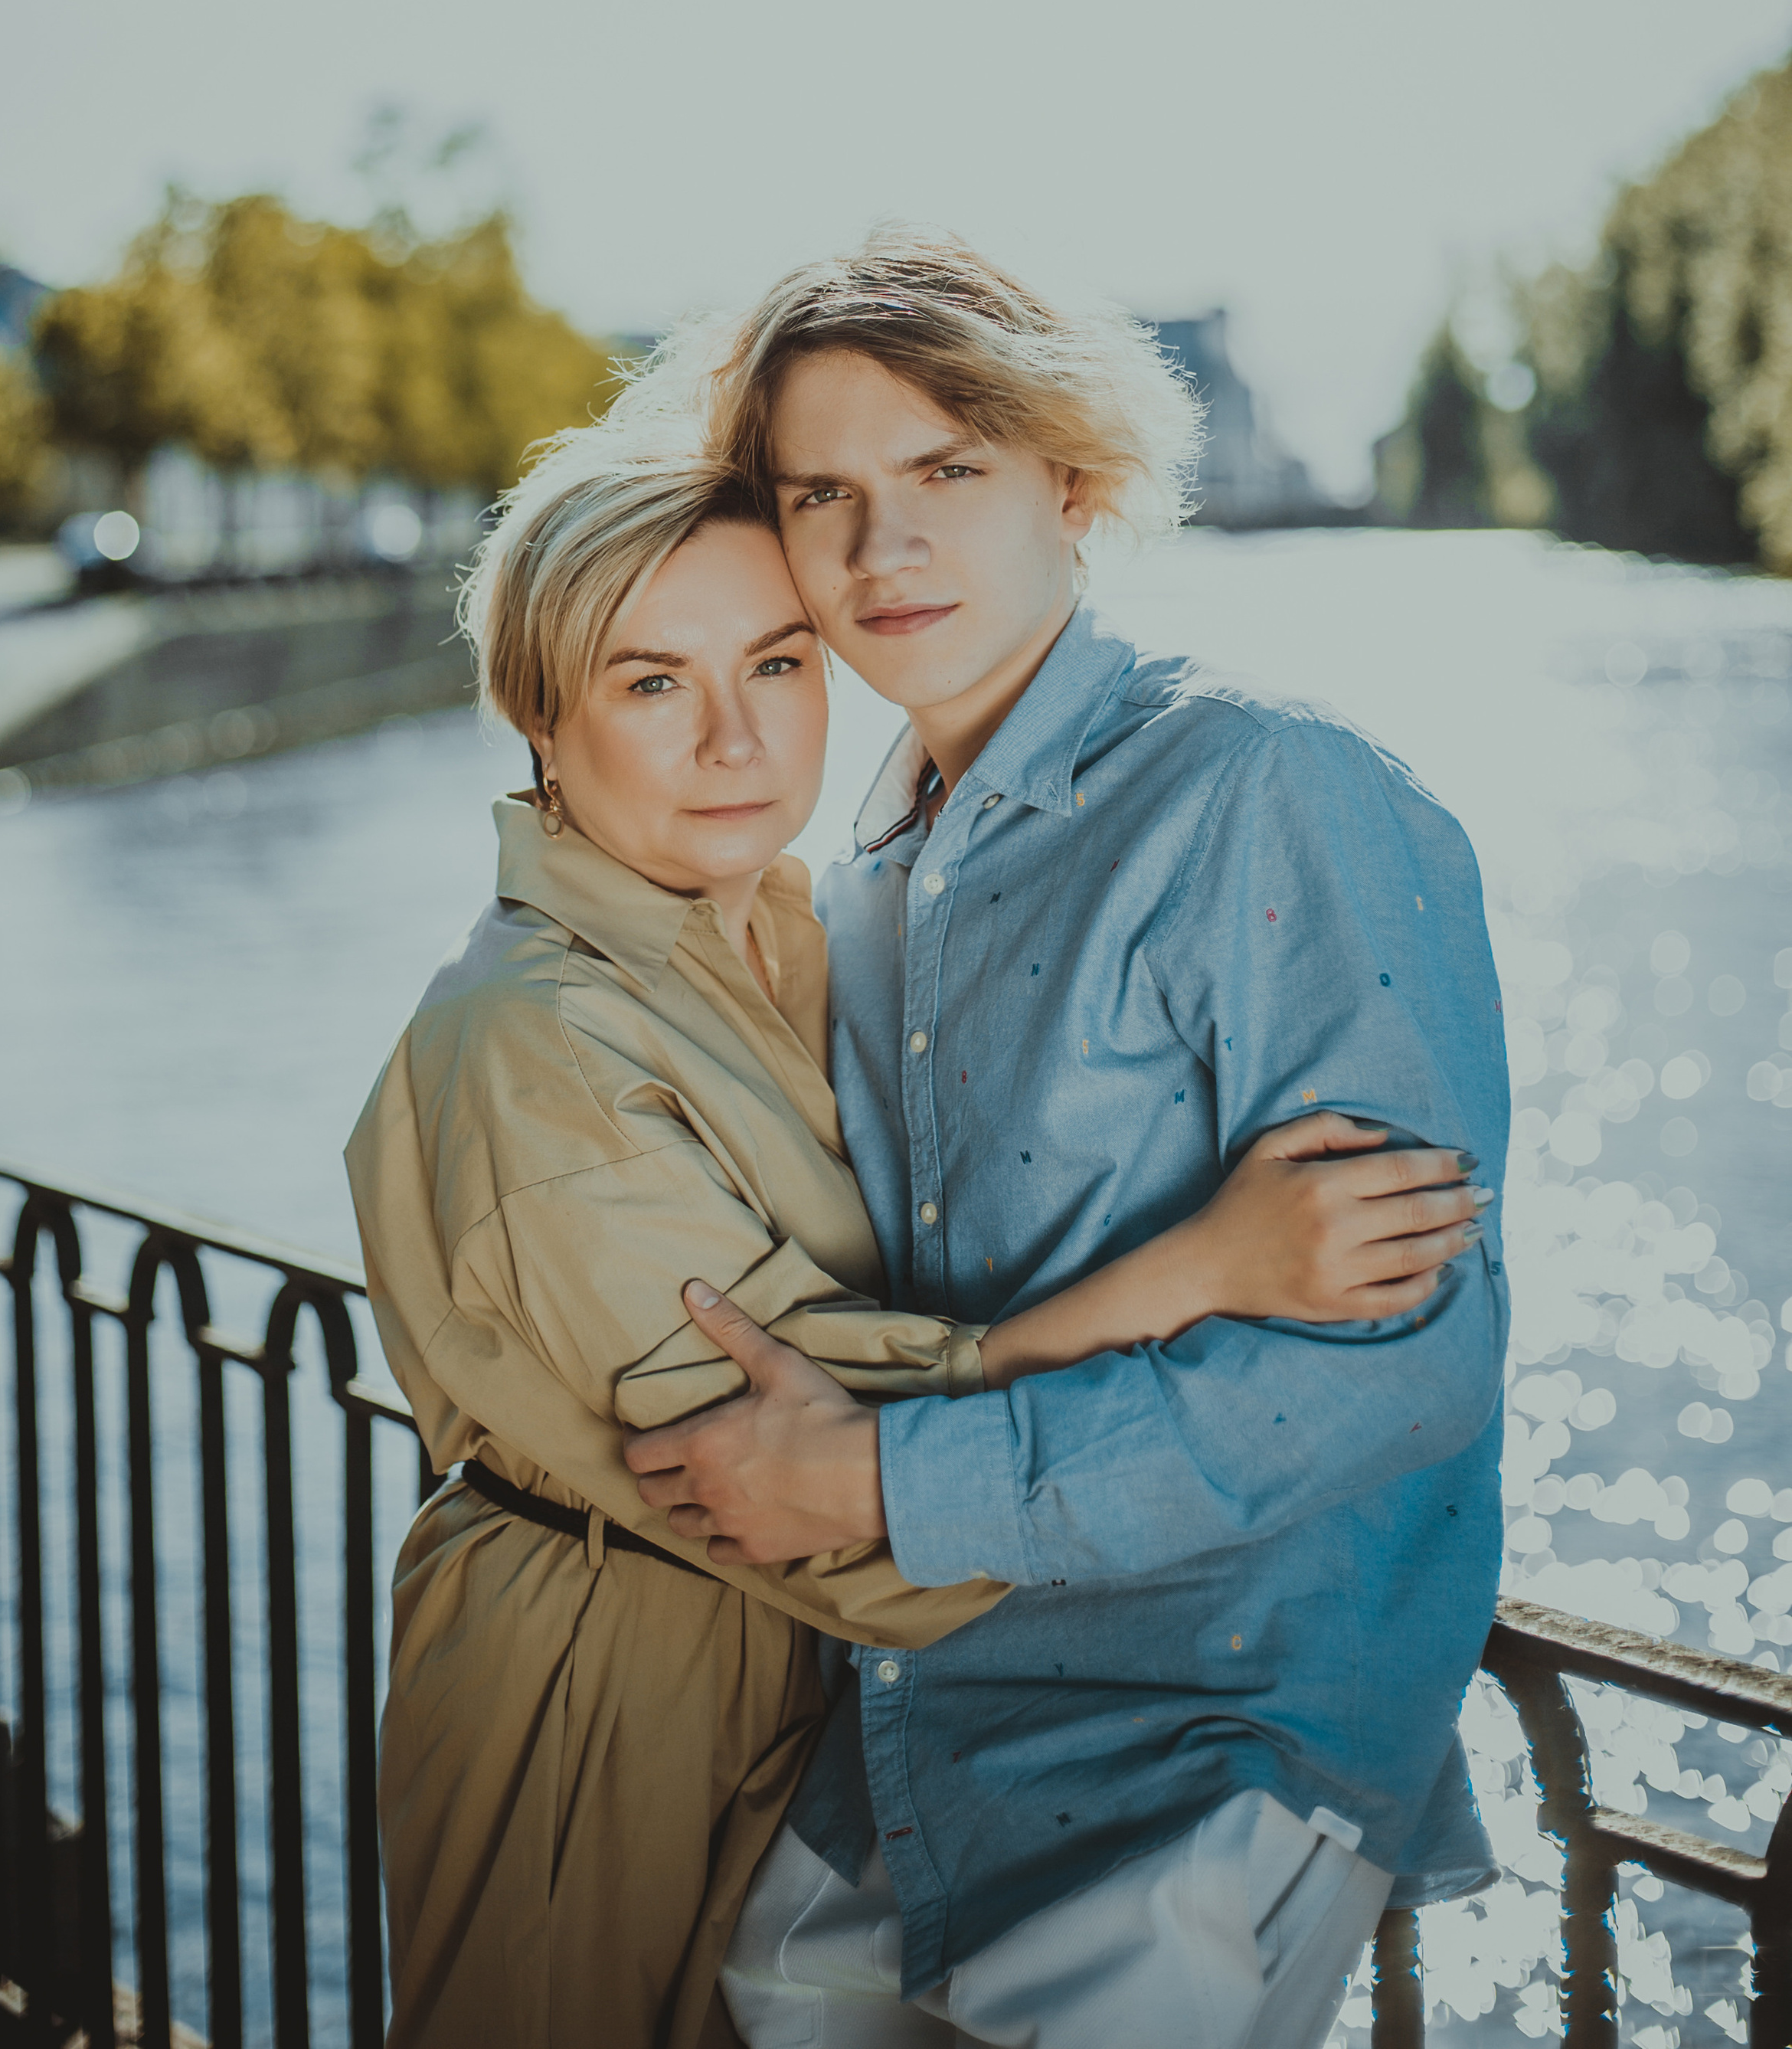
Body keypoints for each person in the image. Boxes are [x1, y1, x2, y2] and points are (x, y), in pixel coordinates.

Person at [346, 432, 1486, 2049]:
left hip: (805, 1702)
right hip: (606, 1689)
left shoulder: (792, 930)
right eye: (650, 684)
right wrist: (1200, 1271)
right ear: (540, 712)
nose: (736, 738)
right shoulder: (523, 1045)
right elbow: (777, 1456)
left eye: (775, 662)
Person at [622, 229, 1512, 2049]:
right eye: (825, 496)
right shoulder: (851, 883)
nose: (883, 551)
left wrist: (879, 1483)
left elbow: (1402, 1373)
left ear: (1073, 478)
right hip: (903, 1733)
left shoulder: (1269, 793)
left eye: (945, 471)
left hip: (1198, 1765)